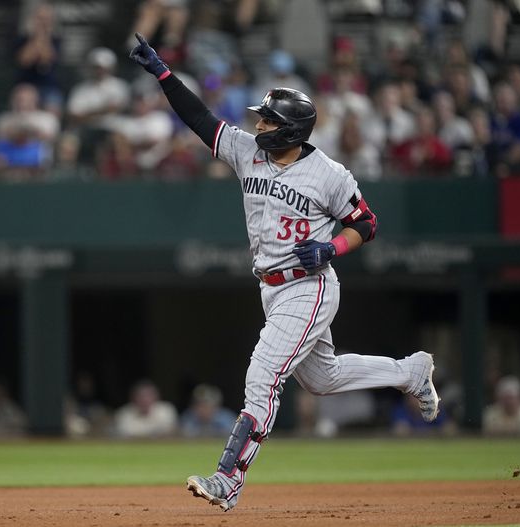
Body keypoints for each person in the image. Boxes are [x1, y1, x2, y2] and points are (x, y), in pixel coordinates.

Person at [129, 33, 440, 512]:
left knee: (263, 375)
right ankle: (409, 372)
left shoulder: (329, 174)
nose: (260, 123)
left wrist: (331, 247)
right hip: (270, 288)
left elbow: (366, 223)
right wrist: (165, 74)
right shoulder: (247, 151)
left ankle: (227, 480)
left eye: (269, 119)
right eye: (262, 116)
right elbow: (200, 120)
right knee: (323, 379)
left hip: (309, 287)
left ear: (292, 130)